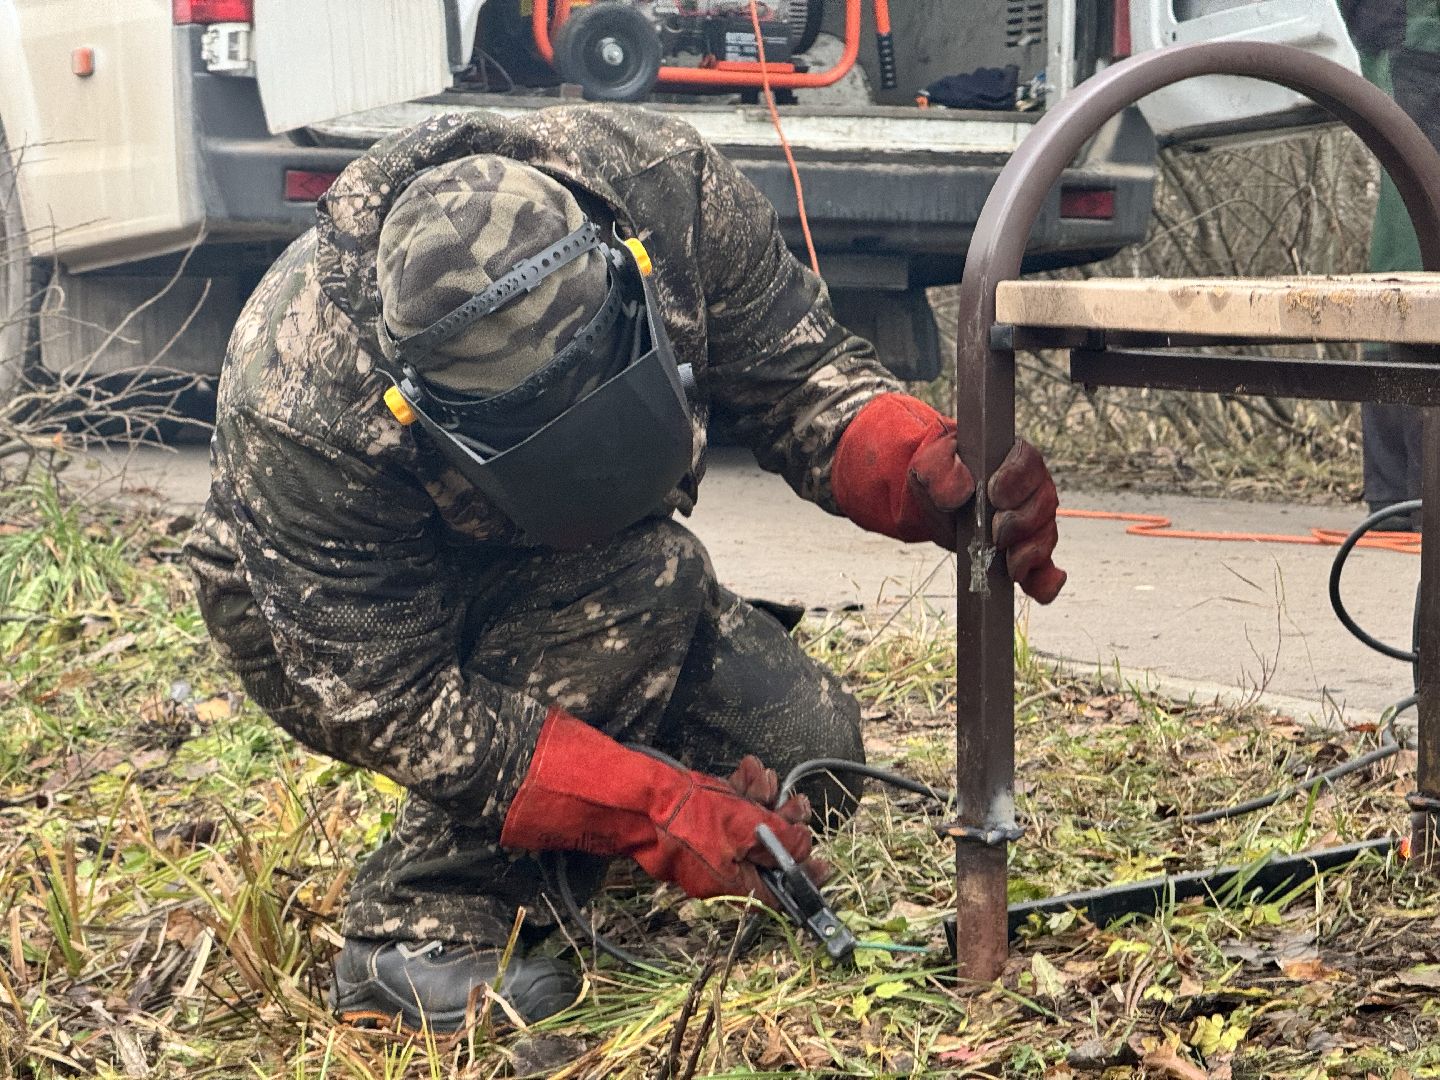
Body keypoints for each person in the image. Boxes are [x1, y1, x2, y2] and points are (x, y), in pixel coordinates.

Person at [183, 106, 1066, 1031]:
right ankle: (416, 928)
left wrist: (920, 469)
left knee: (810, 754)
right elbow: (391, 699)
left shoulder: (667, 193)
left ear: (621, 265)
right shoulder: (299, 396)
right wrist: (651, 810)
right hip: (331, 623)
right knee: (648, 583)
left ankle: (587, 825)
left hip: (579, 557)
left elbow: (802, 376)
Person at [1341, 0, 1438, 530]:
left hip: (1405, 27)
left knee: (1409, 217)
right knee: (1417, 220)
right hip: (1415, 28)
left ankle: (1401, 493)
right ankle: (1410, 493)